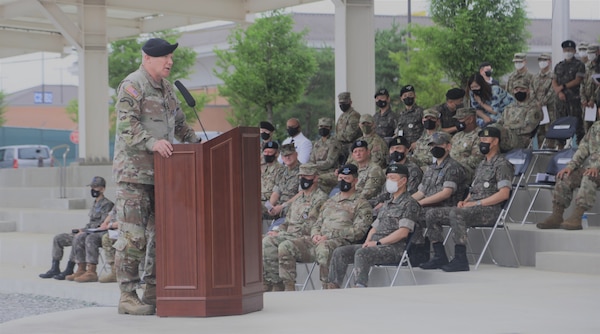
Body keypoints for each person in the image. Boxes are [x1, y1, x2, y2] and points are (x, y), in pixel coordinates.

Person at [112, 37, 200, 315]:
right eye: (165, 58)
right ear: (148, 58)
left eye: (171, 58)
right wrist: (153, 142)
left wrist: (202, 146)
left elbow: (181, 126)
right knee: (133, 238)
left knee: (161, 237)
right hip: (135, 175)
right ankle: (127, 296)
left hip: (164, 176)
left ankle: (153, 289)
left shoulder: (167, 91)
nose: (170, 62)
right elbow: (127, 126)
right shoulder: (132, 85)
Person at [420, 126, 513, 272]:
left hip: (490, 210)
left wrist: (476, 203)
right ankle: (439, 255)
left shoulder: (502, 165)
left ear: (495, 142)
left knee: (456, 213)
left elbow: (504, 194)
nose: (482, 142)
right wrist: (466, 200)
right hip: (474, 206)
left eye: (485, 140)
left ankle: (460, 258)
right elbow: (475, 188)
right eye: (481, 139)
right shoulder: (482, 164)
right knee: (432, 214)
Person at [278, 164, 372, 289]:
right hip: (317, 241)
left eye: (346, 178)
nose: (342, 181)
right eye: (340, 178)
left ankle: (328, 288)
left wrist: (328, 236)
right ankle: (288, 288)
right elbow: (317, 223)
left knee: (324, 248)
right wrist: (315, 234)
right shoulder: (330, 201)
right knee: (286, 246)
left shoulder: (362, 204)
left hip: (340, 243)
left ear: (355, 180)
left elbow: (359, 231)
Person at [328, 164, 420, 288]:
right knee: (340, 252)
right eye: (387, 178)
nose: (389, 181)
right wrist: (368, 242)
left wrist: (378, 243)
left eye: (392, 178)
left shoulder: (409, 204)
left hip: (393, 248)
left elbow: (403, 232)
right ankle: (333, 287)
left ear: (403, 181)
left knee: (362, 253)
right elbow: (374, 228)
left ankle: (359, 287)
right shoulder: (387, 203)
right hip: (375, 245)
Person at [262, 163, 328, 291]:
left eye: (306, 176)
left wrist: (282, 235)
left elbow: (311, 226)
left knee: (283, 245)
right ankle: (272, 283)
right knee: (265, 241)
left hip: (306, 240)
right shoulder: (297, 200)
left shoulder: (321, 199)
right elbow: (286, 223)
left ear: (315, 178)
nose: (303, 179)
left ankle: (288, 286)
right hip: (289, 236)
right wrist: (278, 230)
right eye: (301, 176)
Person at [39, 176, 114, 281]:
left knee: (78, 237)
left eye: (96, 187)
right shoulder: (95, 203)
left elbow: (101, 225)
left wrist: (83, 231)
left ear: (103, 189)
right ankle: (55, 267)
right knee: (58, 238)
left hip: (95, 234)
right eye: (92, 187)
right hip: (87, 231)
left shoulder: (108, 204)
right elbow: (91, 223)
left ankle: (72, 268)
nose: (93, 189)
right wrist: (81, 229)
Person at [412, 132, 467, 267]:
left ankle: (438, 254)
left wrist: (421, 203)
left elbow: (446, 194)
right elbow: (421, 192)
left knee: (428, 214)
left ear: (448, 146)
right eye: (432, 145)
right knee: (408, 210)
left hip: (448, 207)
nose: (434, 148)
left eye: (439, 145)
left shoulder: (453, 167)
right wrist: (407, 202)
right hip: (429, 206)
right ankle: (418, 252)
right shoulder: (431, 169)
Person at [536, 121, 600, 230]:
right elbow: (583, 148)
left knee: (589, 176)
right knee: (565, 176)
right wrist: (570, 167)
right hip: (593, 168)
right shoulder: (595, 127)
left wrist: (596, 166)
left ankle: (577, 216)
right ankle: (557, 215)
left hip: (595, 169)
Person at [370, 136, 423, 216]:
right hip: (387, 201)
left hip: (401, 204)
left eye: (398, 148)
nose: (395, 151)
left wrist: (385, 204)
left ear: (406, 150)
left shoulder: (413, 169)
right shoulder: (390, 169)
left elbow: (410, 192)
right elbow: (384, 193)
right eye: (392, 149)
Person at [494, 77, 543, 152]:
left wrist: (507, 130)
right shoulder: (509, 107)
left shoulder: (533, 108)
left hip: (521, 139)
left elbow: (528, 128)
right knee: (489, 133)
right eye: (516, 90)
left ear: (528, 90)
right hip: (505, 137)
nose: (519, 92)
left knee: (493, 142)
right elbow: (500, 122)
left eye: (522, 89)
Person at [552, 39, 586, 144]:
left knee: (577, 126)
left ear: (574, 51)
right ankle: (560, 148)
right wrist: (559, 92)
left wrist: (562, 87)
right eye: (566, 50)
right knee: (560, 126)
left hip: (574, 100)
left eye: (570, 50)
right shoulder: (559, 65)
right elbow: (554, 80)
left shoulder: (579, 64)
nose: (568, 52)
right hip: (560, 101)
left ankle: (577, 149)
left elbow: (577, 80)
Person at [266, 144, 301, 219]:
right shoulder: (281, 172)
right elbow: (276, 192)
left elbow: (302, 193)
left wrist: (283, 206)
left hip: (294, 210)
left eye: (289, 155)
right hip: (279, 210)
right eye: (284, 156)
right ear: (282, 157)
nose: (287, 157)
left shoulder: (303, 171)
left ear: (296, 154)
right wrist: (271, 206)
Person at [449, 107, 484, 183]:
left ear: (470, 119)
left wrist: (454, 162)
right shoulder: (457, 136)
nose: (458, 122)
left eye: (460, 119)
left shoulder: (479, 136)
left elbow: (476, 160)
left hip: (467, 171)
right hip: (449, 169)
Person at [532, 53, 557, 147]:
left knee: (550, 131)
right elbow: (531, 91)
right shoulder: (535, 77)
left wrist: (542, 102)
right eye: (540, 60)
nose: (542, 62)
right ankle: (540, 151)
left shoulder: (553, 76)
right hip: (537, 109)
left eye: (544, 60)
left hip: (549, 109)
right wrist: (536, 102)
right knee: (539, 131)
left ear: (549, 61)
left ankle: (550, 150)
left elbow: (552, 91)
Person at [396, 85, 424, 151]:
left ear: (415, 96)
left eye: (410, 95)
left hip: (418, 148)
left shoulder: (421, 112)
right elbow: (398, 131)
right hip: (404, 149)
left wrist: (418, 142)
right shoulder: (400, 114)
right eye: (405, 96)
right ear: (401, 98)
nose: (408, 97)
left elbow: (427, 130)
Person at [336, 92, 362, 160]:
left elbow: (349, 136)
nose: (342, 105)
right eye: (340, 103)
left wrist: (338, 136)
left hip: (352, 148)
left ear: (350, 102)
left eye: (344, 103)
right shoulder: (342, 116)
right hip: (342, 148)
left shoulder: (354, 115)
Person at [99, 207, 119, 283]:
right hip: (115, 231)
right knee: (90, 237)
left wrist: (111, 225)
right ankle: (114, 271)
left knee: (106, 238)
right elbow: (111, 213)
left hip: (129, 230)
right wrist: (105, 223)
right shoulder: (120, 200)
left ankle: (116, 271)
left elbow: (128, 221)